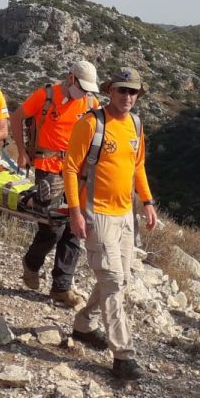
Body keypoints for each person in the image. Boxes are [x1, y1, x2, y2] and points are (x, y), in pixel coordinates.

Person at [63, 67, 157, 380]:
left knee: (118, 279)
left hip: (125, 215)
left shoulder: (136, 124)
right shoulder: (91, 123)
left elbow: (138, 166)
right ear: (110, 91)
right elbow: (70, 168)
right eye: (122, 90)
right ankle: (122, 356)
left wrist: (147, 202)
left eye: (132, 92)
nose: (127, 97)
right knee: (114, 280)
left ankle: (83, 325)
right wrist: (75, 212)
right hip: (96, 214)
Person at [10, 61, 101, 308]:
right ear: (70, 78)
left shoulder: (91, 103)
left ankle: (61, 287)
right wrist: (21, 151)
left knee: (75, 228)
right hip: (48, 168)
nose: (84, 93)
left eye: (88, 89)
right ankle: (31, 263)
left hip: (77, 171)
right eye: (82, 87)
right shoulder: (46, 95)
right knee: (52, 226)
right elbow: (17, 117)